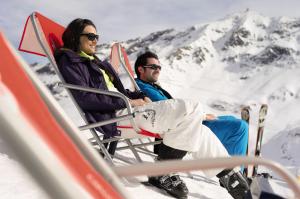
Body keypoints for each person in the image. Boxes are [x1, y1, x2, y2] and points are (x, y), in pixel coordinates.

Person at [55, 18, 249, 199]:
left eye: (96, 37)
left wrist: (138, 97)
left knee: (200, 126)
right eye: (90, 36)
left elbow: (116, 91)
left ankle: (228, 174)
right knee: (191, 108)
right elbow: (87, 99)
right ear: (75, 37)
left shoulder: (94, 63)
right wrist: (128, 102)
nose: (95, 40)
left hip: (127, 110)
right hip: (114, 116)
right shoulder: (70, 61)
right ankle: (162, 171)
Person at [134, 51, 248, 157]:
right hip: (185, 127)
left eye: (159, 67)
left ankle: (229, 162)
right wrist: (201, 116)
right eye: (153, 67)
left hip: (186, 121)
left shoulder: (151, 87)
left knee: (231, 119)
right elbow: (168, 108)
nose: (158, 70)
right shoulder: (143, 88)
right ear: (141, 69)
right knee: (240, 127)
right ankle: (235, 171)